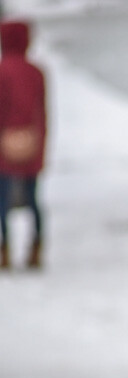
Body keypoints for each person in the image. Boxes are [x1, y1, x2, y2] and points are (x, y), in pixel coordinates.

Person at [0, 19, 46, 270]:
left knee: (3, 201)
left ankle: (5, 249)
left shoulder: (2, 71)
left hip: (4, 144)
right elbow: (43, 113)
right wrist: (42, 149)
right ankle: (36, 247)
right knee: (33, 199)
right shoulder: (36, 73)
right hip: (32, 143)